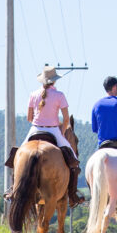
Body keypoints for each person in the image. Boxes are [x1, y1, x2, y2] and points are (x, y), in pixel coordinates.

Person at [23, 65, 85, 207]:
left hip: (34, 129)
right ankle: (73, 194)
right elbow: (66, 119)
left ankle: (13, 189)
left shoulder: (33, 95)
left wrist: (39, 123)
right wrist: (62, 132)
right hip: (53, 131)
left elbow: (29, 118)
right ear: (54, 81)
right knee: (74, 160)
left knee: (17, 156)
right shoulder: (60, 95)